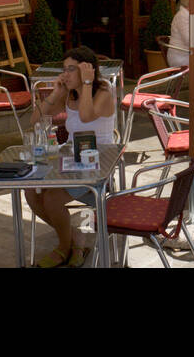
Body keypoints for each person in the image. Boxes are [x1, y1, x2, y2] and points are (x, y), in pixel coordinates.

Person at [26, 45, 116, 267]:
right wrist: (56, 92)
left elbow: (86, 116)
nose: (65, 74)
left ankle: (63, 248)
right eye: (64, 69)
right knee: (31, 192)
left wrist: (87, 82)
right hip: (72, 158)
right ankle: (75, 239)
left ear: (87, 70)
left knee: (51, 198)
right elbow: (34, 120)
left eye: (71, 69)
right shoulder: (68, 93)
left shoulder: (103, 91)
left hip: (99, 163)